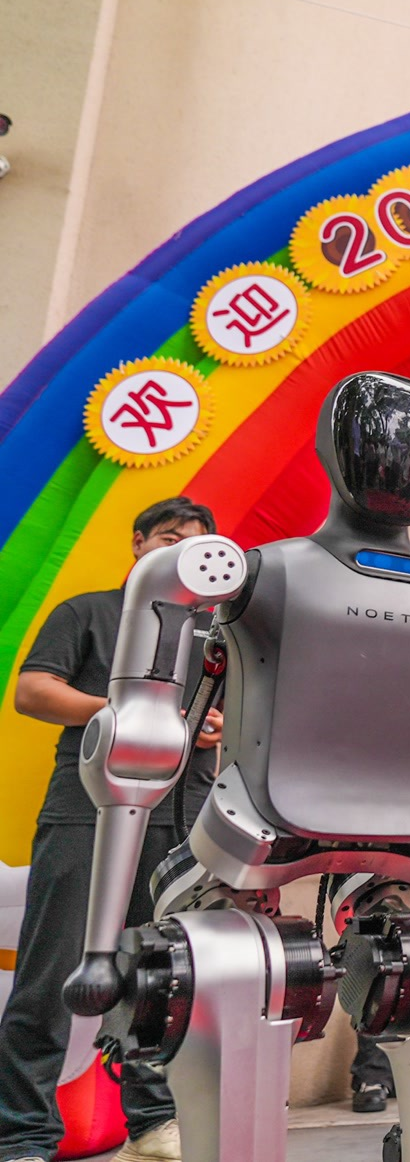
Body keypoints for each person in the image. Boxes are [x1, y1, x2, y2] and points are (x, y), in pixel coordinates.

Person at [0, 498, 222, 1162]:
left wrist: (216, 726)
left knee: (161, 975)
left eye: (193, 543)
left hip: (180, 816)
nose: (177, 551)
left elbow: (240, 715)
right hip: (86, 807)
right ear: (137, 543)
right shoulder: (89, 612)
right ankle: (22, 1134)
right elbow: (33, 692)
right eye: (167, 537)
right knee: (52, 971)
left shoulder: (215, 632)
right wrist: (132, 712)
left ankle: (153, 1122)